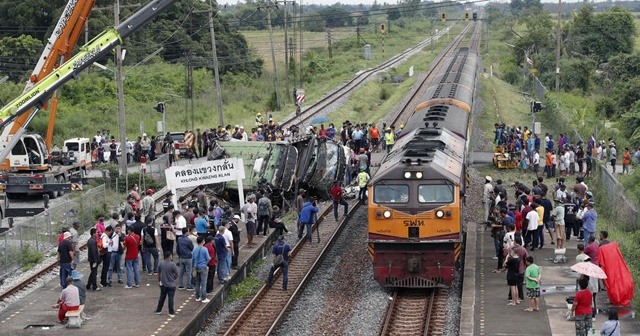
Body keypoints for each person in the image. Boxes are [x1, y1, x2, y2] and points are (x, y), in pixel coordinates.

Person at [155, 251, 179, 317]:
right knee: (170, 298)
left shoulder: (161, 264)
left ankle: (158, 310)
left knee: (162, 297)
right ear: (170, 256)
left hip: (163, 284)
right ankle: (171, 311)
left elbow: (158, 274)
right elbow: (177, 274)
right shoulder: (173, 265)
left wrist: (159, 281)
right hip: (171, 285)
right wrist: (173, 279)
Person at [192, 236, 211, 302]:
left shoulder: (194, 249)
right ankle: (204, 298)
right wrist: (206, 263)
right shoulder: (205, 249)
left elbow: (193, 258)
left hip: (196, 267)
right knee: (203, 283)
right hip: (203, 267)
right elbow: (208, 258)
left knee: (197, 283)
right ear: (202, 241)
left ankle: (197, 297)